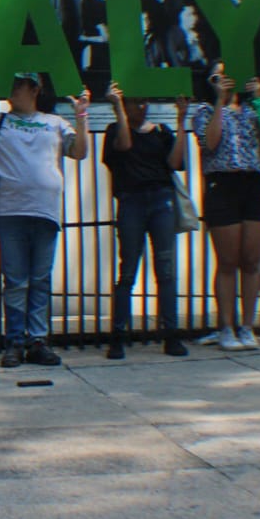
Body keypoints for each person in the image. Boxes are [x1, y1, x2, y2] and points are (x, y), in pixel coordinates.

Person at [0, 72, 91, 368]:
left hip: (45, 210)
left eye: (19, 85)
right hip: (10, 211)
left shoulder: (54, 122)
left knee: (40, 279)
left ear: (35, 89)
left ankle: (38, 340)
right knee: (15, 280)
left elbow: (80, 151)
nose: (12, 90)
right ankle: (15, 341)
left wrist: (82, 115)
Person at [193, 62, 260, 351]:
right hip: (223, 185)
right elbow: (210, 142)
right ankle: (226, 327)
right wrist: (220, 100)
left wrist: (259, 98)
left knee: (252, 259)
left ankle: (247, 326)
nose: (226, 80)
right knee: (228, 260)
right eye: (218, 76)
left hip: (253, 184)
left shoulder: (253, 109)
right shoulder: (204, 111)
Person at [101, 85, 189, 359]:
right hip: (132, 200)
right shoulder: (115, 131)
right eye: (135, 102)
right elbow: (124, 146)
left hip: (160, 199)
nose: (142, 107)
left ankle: (171, 334)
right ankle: (118, 335)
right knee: (127, 271)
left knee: (165, 269)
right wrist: (118, 108)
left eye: (144, 101)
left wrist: (182, 122)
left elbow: (176, 163)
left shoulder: (161, 132)